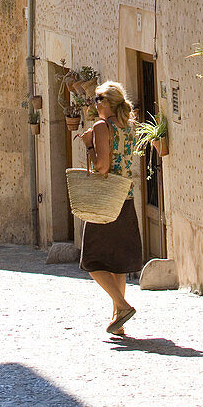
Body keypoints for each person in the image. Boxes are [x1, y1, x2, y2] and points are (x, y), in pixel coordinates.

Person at [79, 81, 143, 335]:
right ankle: (118, 320)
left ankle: (123, 307)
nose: (95, 104)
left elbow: (102, 167)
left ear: (107, 102)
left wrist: (89, 145)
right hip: (125, 197)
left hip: (104, 201)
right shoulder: (129, 126)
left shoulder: (101, 127)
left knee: (92, 261)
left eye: (97, 99)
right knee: (117, 264)